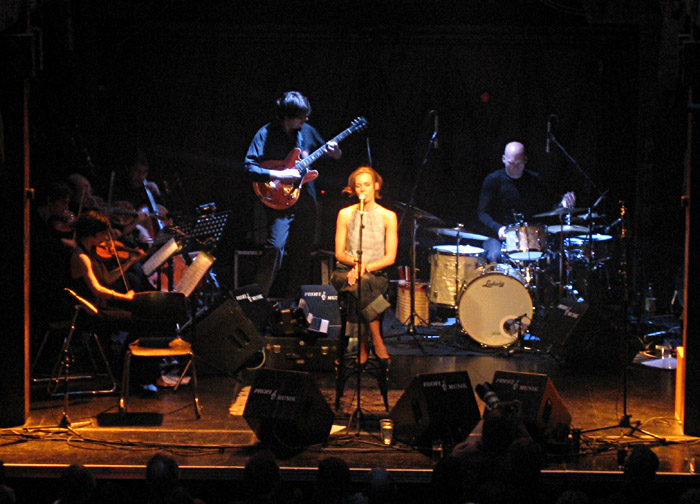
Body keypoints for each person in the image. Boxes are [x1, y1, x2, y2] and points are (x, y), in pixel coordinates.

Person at [244, 90, 341, 298]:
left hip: (306, 200)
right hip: (279, 201)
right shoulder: (266, 133)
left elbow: (332, 154)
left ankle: (294, 305)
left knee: (303, 253)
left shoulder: (308, 131)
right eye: (301, 116)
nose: (306, 119)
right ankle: (256, 301)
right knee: (275, 247)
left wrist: (334, 152)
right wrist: (279, 173)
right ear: (287, 117)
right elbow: (249, 167)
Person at [331, 166, 397, 364]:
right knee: (359, 284)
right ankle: (377, 339)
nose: (362, 190)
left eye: (367, 185)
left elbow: (390, 257)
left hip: (375, 274)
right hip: (345, 273)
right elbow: (339, 253)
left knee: (363, 284)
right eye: (358, 186)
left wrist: (364, 267)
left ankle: (362, 345)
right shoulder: (345, 214)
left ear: (376, 186)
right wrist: (356, 265)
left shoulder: (388, 216)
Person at [477, 141, 576, 263]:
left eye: (520, 163)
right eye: (512, 163)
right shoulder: (493, 180)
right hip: (497, 235)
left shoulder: (534, 181)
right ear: (503, 159)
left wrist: (562, 205)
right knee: (495, 256)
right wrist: (498, 228)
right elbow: (482, 213)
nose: (516, 168)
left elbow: (547, 208)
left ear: (525, 161)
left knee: (549, 257)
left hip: (527, 238)